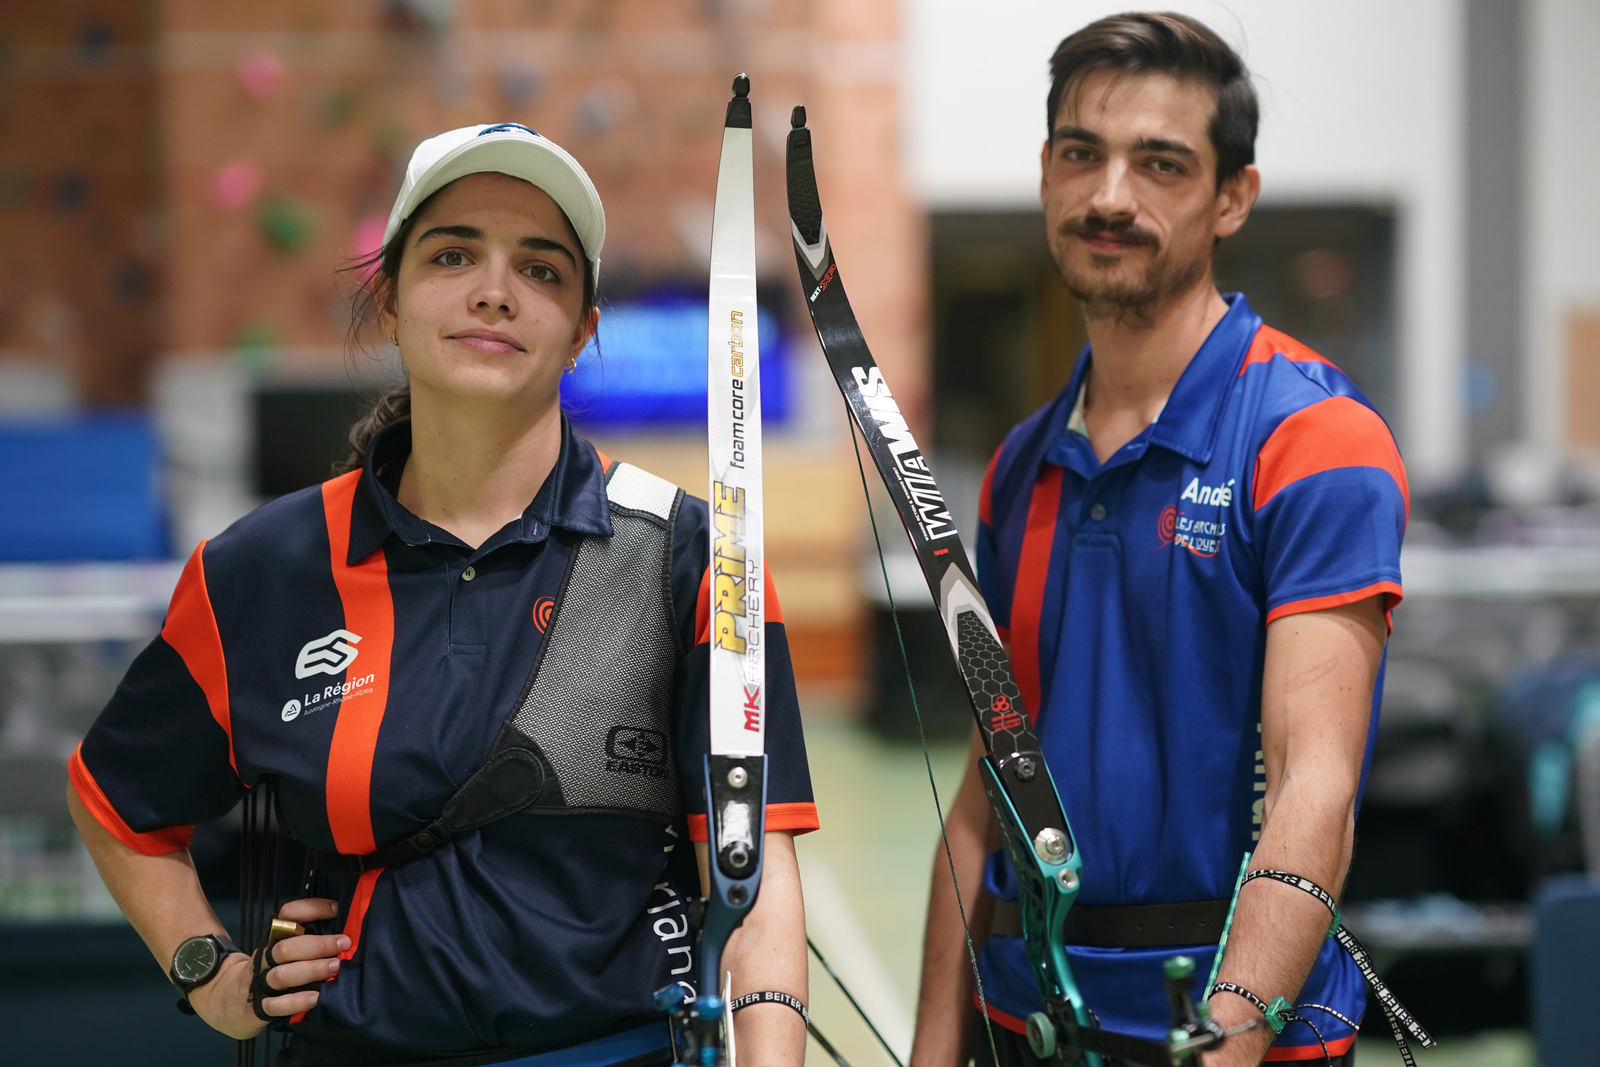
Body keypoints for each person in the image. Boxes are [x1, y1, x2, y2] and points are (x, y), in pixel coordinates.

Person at [67, 123, 817, 1067]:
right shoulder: (264, 568)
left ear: (583, 331)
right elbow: (114, 801)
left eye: (540, 269)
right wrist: (210, 975)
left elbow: (758, 884)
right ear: (389, 301)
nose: (495, 290)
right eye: (453, 255)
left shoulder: (694, 558)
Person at [910, 14, 1406, 1067]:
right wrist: (932, 1048)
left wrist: (1224, 1041)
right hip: (1031, 1020)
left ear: (1233, 197)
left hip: (1234, 1029)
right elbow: (990, 780)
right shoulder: (1019, 464)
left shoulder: (1315, 438)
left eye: (1161, 163)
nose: (1109, 196)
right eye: (1081, 153)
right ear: (1045, 172)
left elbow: (1315, 791)